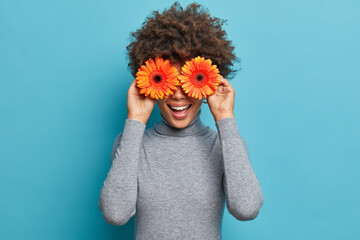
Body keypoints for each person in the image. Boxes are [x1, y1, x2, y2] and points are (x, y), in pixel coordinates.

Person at [98, 2, 264, 239]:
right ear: (151, 82)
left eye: (189, 81)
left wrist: (225, 118)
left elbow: (247, 209)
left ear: (207, 83)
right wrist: (135, 119)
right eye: (169, 83)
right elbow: (115, 213)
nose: (178, 94)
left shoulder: (225, 144)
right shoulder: (130, 144)